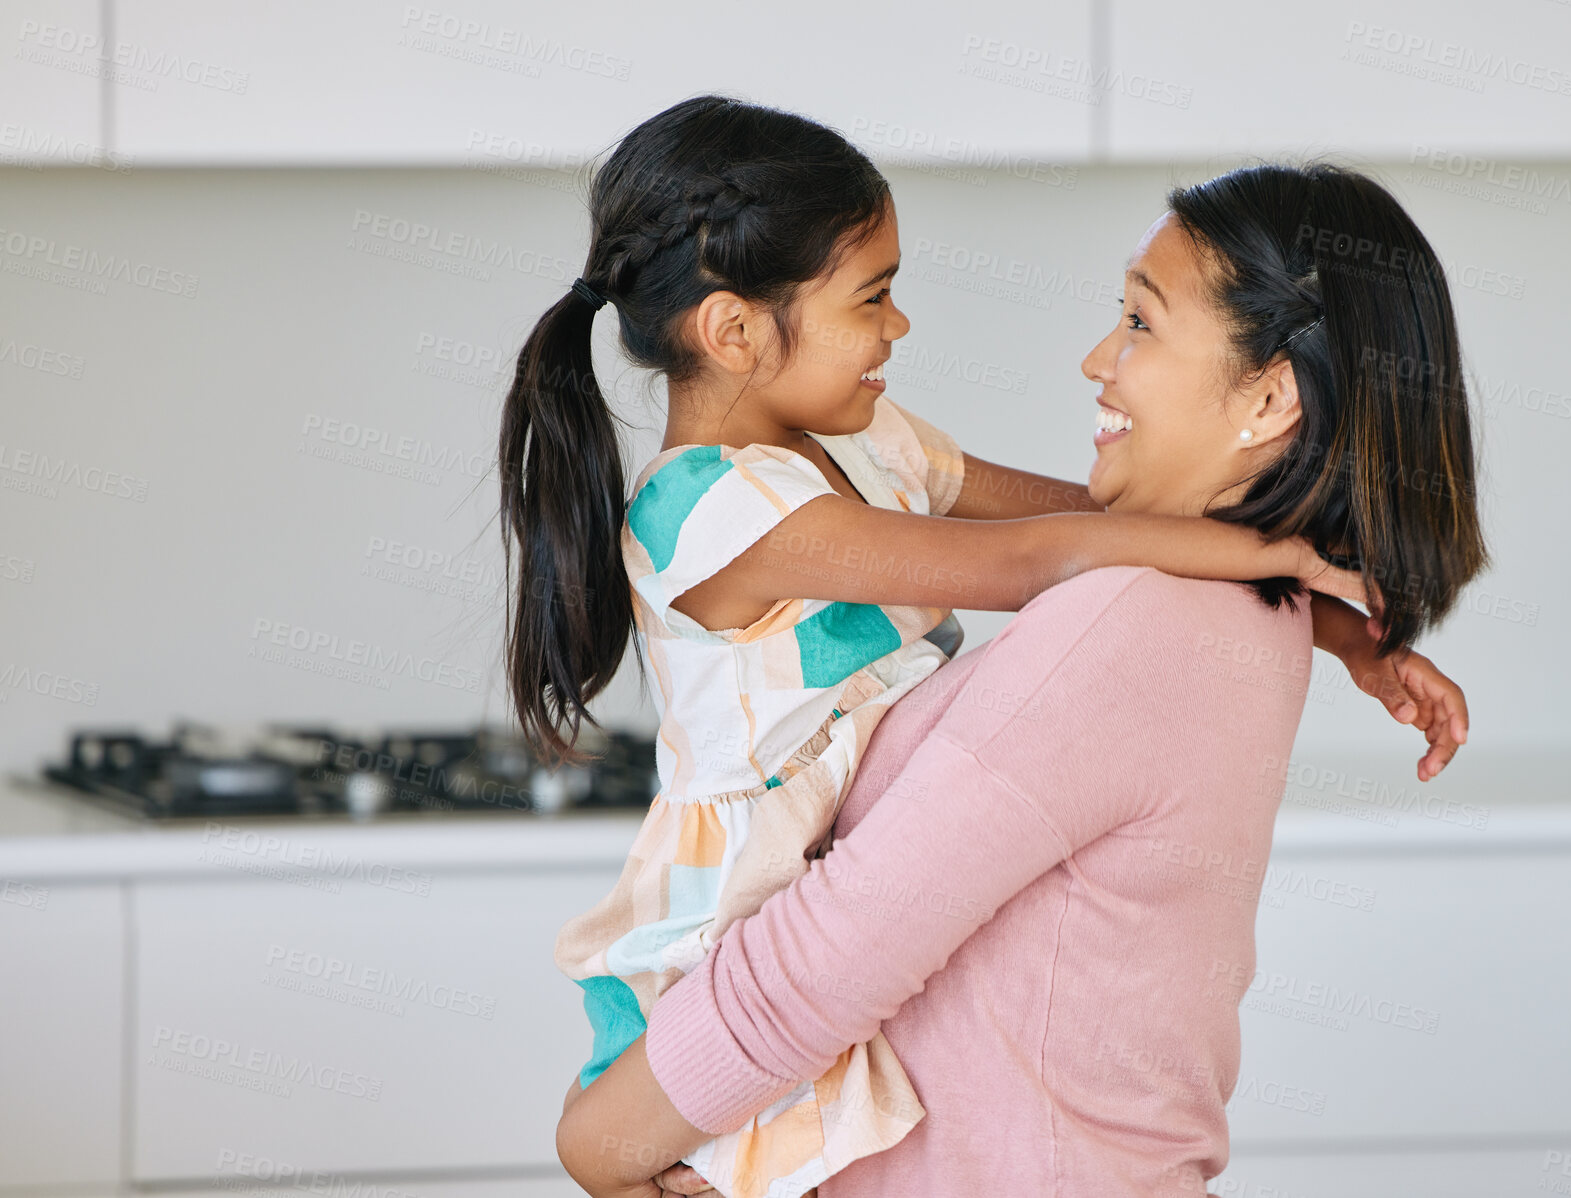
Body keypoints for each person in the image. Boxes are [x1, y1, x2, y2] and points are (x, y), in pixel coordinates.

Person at [498, 97, 1408, 1198]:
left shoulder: (883, 453)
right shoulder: (711, 509)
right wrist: (1294, 567)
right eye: (872, 297)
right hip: (732, 880)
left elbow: (1083, 524)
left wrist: (1331, 618)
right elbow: (1043, 556)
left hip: (806, 891)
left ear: (1270, 393)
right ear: (736, 333)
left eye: (1138, 321)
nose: (898, 328)